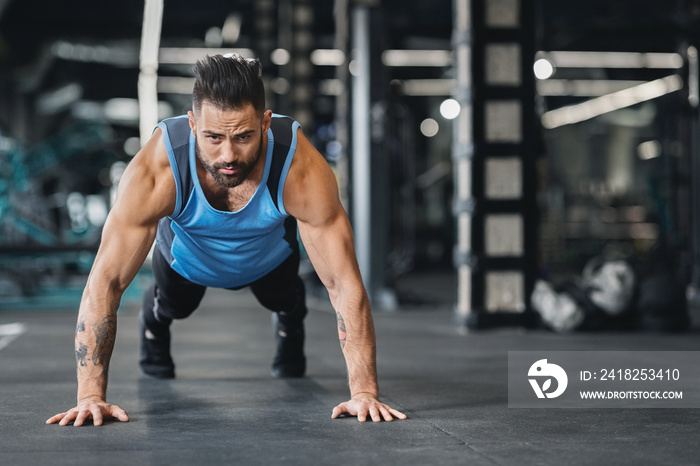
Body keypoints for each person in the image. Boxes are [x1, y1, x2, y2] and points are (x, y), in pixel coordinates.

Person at [46, 54, 406, 426]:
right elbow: (106, 282)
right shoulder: (159, 169)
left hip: (268, 255)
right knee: (174, 304)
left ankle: (288, 324)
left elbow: (342, 282)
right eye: (213, 137)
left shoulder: (297, 166)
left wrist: (364, 392)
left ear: (266, 123)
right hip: (188, 258)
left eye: (244, 136)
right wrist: (90, 396)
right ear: (192, 124)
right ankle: (155, 322)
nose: (228, 155)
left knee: (285, 298)